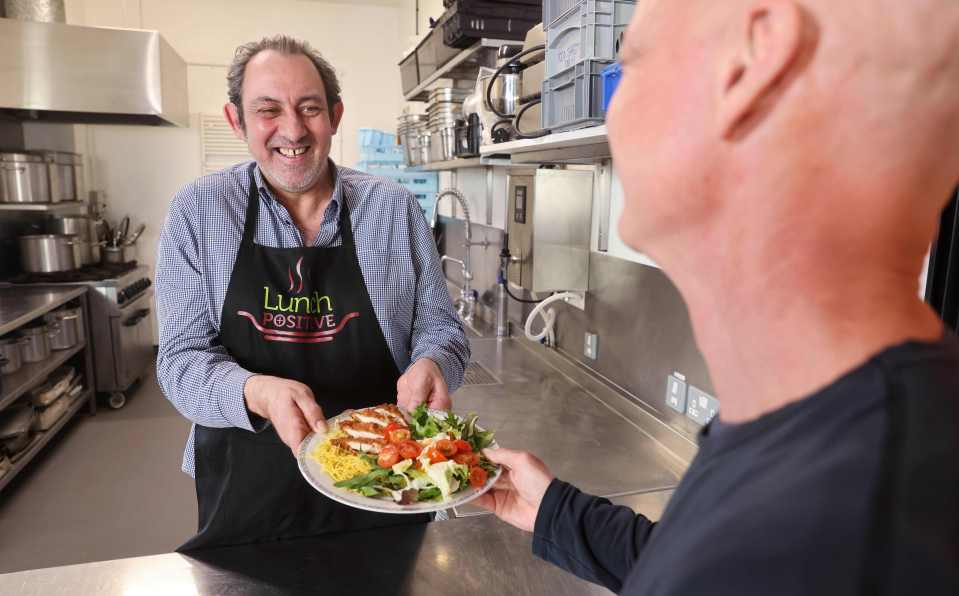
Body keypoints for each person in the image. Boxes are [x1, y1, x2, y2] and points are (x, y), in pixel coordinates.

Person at [477, 1, 959, 593]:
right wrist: (556, 512)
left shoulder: (852, 537)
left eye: (633, 65)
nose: (613, 110)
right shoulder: (817, 424)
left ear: (752, 65)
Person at [155, 35, 469, 550]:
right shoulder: (198, 210)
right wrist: (257, 391)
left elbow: (440, 327)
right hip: (248, 480)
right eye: (268, 110)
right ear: (238, 122)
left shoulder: (392, 209)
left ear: (335, 115)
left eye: (309, 108)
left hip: (384, 476)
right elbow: (180, 362)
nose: (293, 130)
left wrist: (434, 361)